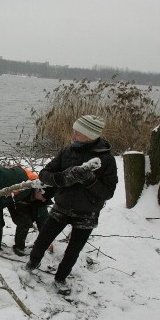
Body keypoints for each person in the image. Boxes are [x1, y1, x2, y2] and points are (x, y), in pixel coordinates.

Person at [25, 114, 118, 295]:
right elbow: (44, 174)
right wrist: (61, 178)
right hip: (61, 207)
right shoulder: (67, 152)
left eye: (78, 133)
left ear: (90, 136)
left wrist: (89, 180)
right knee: (42, 240)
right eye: (74, 131)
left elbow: (108, 192)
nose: (73, 135)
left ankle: (60, 278)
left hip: (87, 213)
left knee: (73, 250)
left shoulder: (107, 160)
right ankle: (32, 264)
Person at [0, 166, 51, 256]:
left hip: (16, 200)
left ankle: (19, 247)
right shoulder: (21, 178)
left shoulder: (40, 199)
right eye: (44, 198)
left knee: (24, 222)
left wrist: (47, 241)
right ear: (40, 190)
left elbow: (43, 219)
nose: (44, 200)